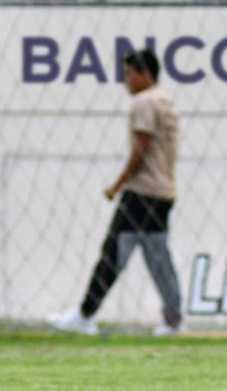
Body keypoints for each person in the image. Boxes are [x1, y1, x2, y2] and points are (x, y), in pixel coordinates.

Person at [47, 49, 183, 337]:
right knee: (158, 257)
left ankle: (85, 315)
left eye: (128, 74)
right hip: (163, 192)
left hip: (142, 192)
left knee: (112, 253)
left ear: (144, 74)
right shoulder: (166, 101)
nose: (125, 81)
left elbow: (140, 148)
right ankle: (174, 318)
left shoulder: (144, 102)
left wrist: (118, 184)